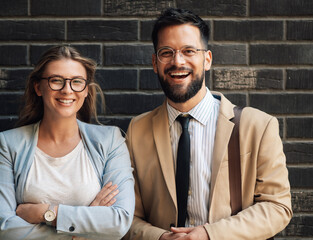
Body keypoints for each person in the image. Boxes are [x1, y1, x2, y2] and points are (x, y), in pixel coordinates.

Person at [124, 8, 292, 240]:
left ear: (207, 59)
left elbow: (277, 207)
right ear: (155, 63)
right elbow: (126, 215)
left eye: (189, 50)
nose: (177, 61)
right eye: (166, 52)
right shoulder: (137, 130)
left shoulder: (258, 126)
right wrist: (160, 237)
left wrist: (209, 234)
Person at [0, 46, 135, 240]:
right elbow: (1, 228)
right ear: (38, 87)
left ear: (86, 91)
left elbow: (119, 221)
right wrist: (83, 230)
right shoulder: (8, 144)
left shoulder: (110, 141)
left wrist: (46, 213)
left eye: (77, 82)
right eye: (56, 80)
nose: (67, 90)